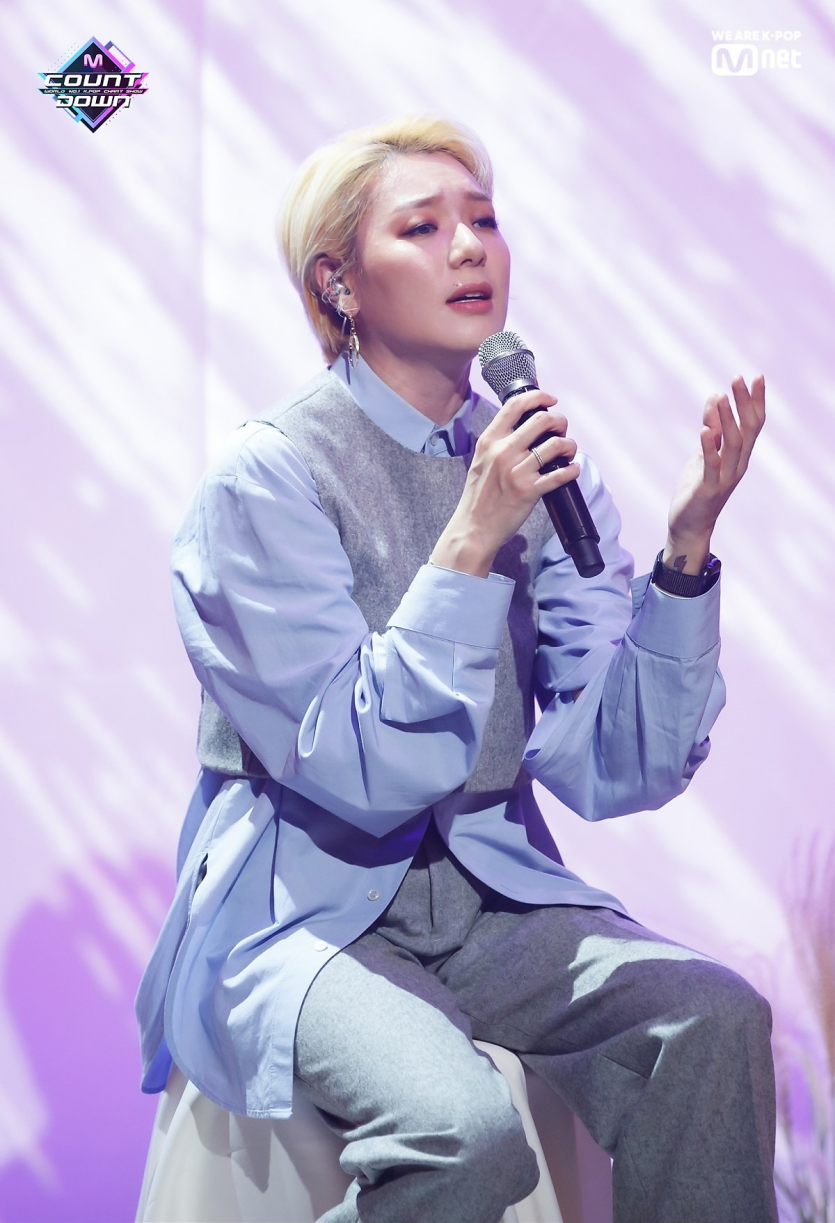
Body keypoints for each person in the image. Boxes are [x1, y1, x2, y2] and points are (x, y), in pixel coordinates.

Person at [135, 115, 777, 1223]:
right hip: (305, 914)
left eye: (482, 219)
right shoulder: (265, 480)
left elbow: (612, 764)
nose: (470, 246)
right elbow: (354, 765)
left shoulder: (535, 467)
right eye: (423, 227)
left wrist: (684, 555)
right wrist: (472, 538)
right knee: (462, 1131)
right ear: (338, 283)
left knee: (710, 1019)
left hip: (487, 895)